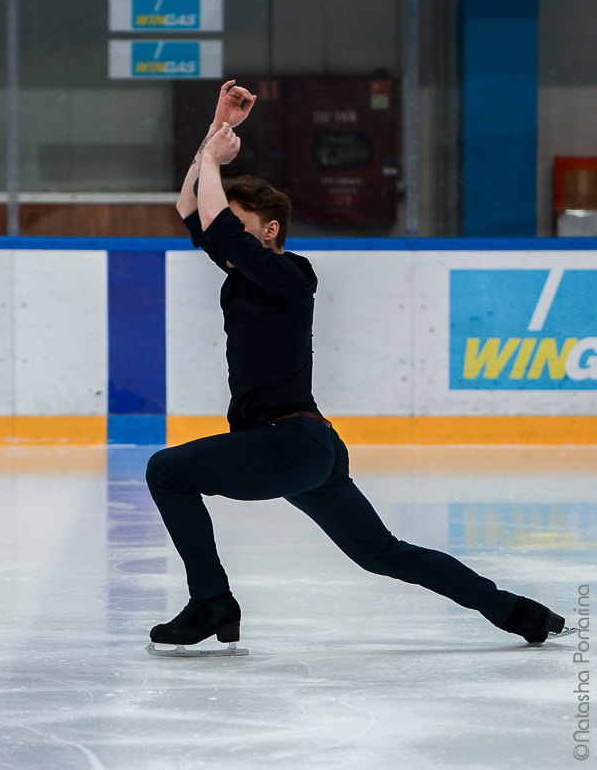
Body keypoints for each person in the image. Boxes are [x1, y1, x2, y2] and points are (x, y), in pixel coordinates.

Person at [145, 80, 567, 651]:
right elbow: (191, 207)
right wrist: (218, 132)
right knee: (381, 553)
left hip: (288, 442)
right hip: (308, 449)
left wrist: (219, 161)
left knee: (166, 471)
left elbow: (218, 222)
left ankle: (211, 599)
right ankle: (516, 612)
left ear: (270, 232)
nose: (225, 239)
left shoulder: (291, 275)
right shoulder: (244, 275)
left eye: (242, 227)